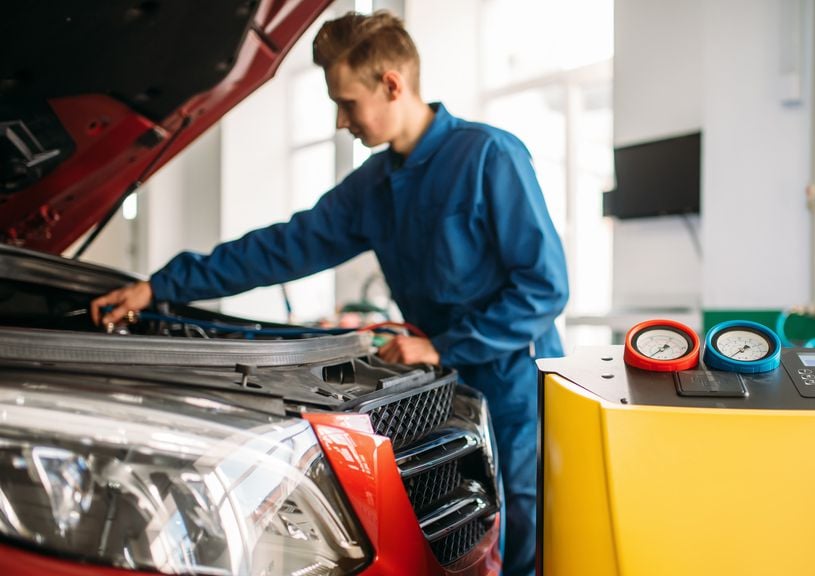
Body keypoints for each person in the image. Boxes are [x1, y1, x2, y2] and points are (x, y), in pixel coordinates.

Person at [90, 10, 567, 576]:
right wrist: (161, 286)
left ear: (392, 84)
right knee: (453, 540)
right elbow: (280, 248)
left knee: (520, 532)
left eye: (347, 103)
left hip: (511, 382)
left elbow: (544, 286)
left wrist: (445, 346)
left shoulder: (490, 156)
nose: (342, 122)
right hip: (437, 386)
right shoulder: (373, 186)